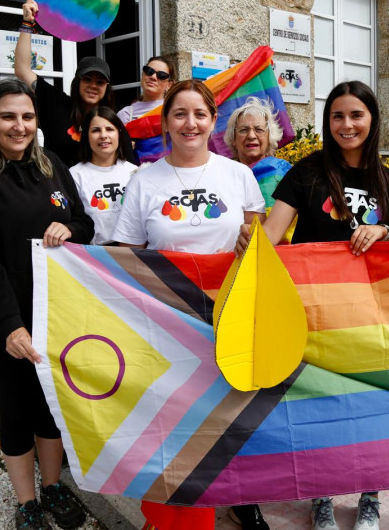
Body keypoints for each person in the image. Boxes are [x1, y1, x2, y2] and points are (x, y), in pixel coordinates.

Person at [235, 81, 389, 530]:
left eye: (356, 115)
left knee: (370, 405)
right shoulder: (306, 172)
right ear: (328, 121)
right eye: (337, 116)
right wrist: (249, 242)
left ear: (371, 119)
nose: (347, 125)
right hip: (315, 314)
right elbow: (271, 235)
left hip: (373, 314)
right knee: (320, 405)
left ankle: (370, 495)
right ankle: (322, 496)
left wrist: (385, 231)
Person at [111, 79, 267, 529]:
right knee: (169, 429)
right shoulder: (144, 180)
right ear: (166, 122)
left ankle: (218, 508)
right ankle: (165, 518)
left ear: (213, 121)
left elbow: (256, 247)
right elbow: (124, 256)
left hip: (226, 323)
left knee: (222, 428)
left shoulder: (237, 175)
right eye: (179, 114)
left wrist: (250, 239)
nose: (190, 123)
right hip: (167, 329)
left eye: (199, 114)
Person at [0, 79, 94, 530]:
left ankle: (52, 487)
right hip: (3, 318)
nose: (20, 126)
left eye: (27, 116)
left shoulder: (51, 166)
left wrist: (69, 229)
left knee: (51, 401)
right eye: (8, 116)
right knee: (16, 403)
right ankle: (27, 502)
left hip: (55, 312)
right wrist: (10, 325)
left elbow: (85, 223)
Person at [15, 0, 115, 168]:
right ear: (77, 82)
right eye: (87, 79)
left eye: (100, 82)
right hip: (57, 191)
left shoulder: (112, 120)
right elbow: (22, 69)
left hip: (98, 195)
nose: (93, 86)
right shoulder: (56, 104)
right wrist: (27, 23)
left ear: (107, 87)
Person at [70, 106, 138, 245]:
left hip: (132, 253)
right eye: (95, 130)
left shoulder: (136, 173)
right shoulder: (74, 175)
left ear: (119, 133)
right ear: (86, 136)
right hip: (93, 257)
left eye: (109, 129)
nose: (103, 135)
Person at [223, 96, 292, 215]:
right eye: (243, 130)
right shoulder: (224, 175)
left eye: (259, 129)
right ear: (233, 138)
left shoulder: (283, 172)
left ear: (269, 136)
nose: (251, 136)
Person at [117, 56, 175, 123]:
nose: (153, 77)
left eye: (162, 75)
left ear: (169, 85)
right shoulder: (125, 114)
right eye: (149, 71)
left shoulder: (174, 111)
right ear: (142, 75)